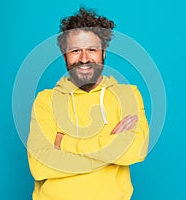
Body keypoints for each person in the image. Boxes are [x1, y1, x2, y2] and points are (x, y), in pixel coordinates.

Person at [27, 7, 149, 200]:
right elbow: (39, 166)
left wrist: (65, 143)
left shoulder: (128, 95)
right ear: (64, 54)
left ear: (103, 52)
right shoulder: (46, 101)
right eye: (75, 51)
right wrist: (109, 152)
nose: (84, 59)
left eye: (91, 50)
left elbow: (134, 150)